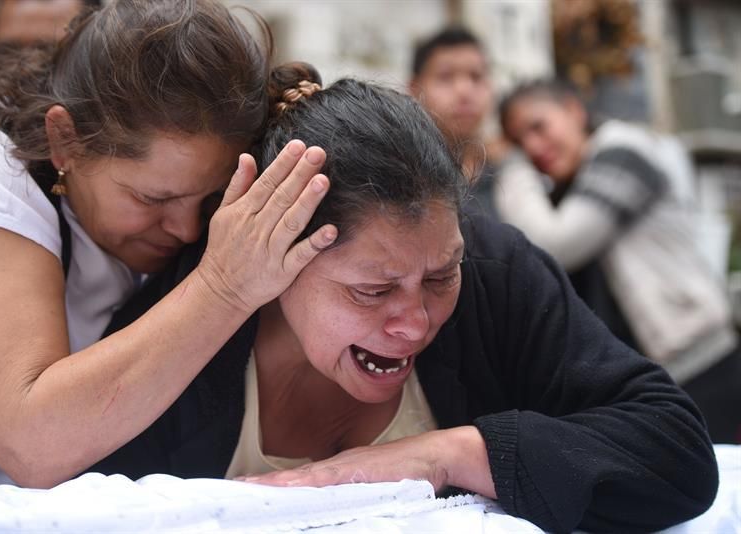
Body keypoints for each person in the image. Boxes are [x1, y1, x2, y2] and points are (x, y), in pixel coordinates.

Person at [92, 63, 719, 532]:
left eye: (441, 277)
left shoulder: (496, 273)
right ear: (276, 260)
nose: (415, 323)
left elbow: (675, 450)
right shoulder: (180, 323)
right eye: (372, 289)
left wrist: (450, 453)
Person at [0, 0, 336, 490]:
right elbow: (30, 441)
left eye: (209, 199)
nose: (188, 231)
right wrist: (224, 288)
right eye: (154, 198)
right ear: (64, 139)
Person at [495, 79, 740, 442]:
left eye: (538, 126)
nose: (532, 147)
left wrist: (511, 169)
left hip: (699, 361)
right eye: (519, 142)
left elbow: (556, 243)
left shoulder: (623, 151)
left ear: (573, 110)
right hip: (662, 375)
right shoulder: (576, 180)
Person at [409, 26, 503, 217]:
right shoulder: (401, 174)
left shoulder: (511, 168)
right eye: (445, 77)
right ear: (414, 88)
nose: (464, 90)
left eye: (476, 77)